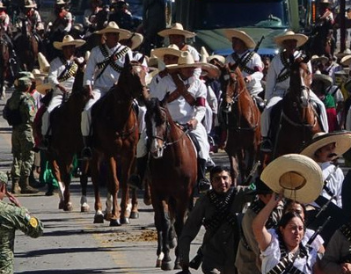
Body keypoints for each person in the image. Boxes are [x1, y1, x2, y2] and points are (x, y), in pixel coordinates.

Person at [145, 50, 212, 191]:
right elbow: (155, 103)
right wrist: (161, 119)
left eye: (192, 67)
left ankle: (201, 177)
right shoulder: (165, 82)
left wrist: (195, 120)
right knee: (144, 142)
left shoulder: (199, 85)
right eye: (187, 67)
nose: (190, 70)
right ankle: (141, 175)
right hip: (166, 122)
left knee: (203, 143)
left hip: (189, 122)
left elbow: (201, 107)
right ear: (179, 68)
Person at [260, 32, 325, 153]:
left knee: (321, 106)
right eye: (288, 42)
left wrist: (305, 89)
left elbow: (309, 77)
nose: (291, 45)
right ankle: (266, 139)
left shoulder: (305, 58)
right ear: (284, 44)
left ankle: (324, 137)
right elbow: (270, 82)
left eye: (293, 42)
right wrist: (267, 99)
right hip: (281, 91)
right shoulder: (277, 60)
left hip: (302, 89)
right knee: (267, 111)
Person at [81, 22, 133, 155]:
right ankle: (87, 144)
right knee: (87, 111)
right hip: (101, 89)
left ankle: (140, 142)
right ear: (106, 36)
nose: (114, 36)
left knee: (140, 110)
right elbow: (89, 72)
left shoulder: (126, 52)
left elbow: (130, 72)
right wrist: (89, 88)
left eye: (116, 34)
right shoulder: (96, 51)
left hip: (120, 91)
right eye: (111, 34)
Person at [39, 36, 84, 152]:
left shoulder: (79, 62)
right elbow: (51, 77)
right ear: (63, 49)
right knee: (47, 113)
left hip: (76, 94)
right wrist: (59, 86)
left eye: (72, 47)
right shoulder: (56, 62)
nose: (70, 50)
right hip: (59, 94)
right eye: (67, 48)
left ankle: (89, 140)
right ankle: (46, 138)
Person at [5, 74, 37, 194]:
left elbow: (5, 113)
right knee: (28, 157)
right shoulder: (27, 99)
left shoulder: (12, 98)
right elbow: (31, 117)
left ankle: (15, 183)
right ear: (27, 87)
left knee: (16, 157)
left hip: (15, 131)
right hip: (26, 131)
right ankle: (25, 183)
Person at [223, 29, 265, 103]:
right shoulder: (229, 58)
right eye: (233, 42)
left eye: (236, 42)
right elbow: (226, 75)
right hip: (235, 92)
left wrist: (250, 77)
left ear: (243, 43)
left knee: (262, 105)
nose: (233, 44)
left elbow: (259, 73)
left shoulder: (255, 56)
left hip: (253, 90)